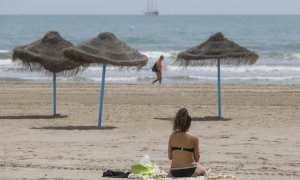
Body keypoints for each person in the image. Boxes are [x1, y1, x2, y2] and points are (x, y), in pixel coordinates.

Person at [168, 108, 212, 177]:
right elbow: (196, 159)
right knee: (207, 169)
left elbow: (170, 157)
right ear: (189, 123)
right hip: (190, 171)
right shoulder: (194, 138)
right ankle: (207, 173)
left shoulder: (172, 136)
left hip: (175, 171)